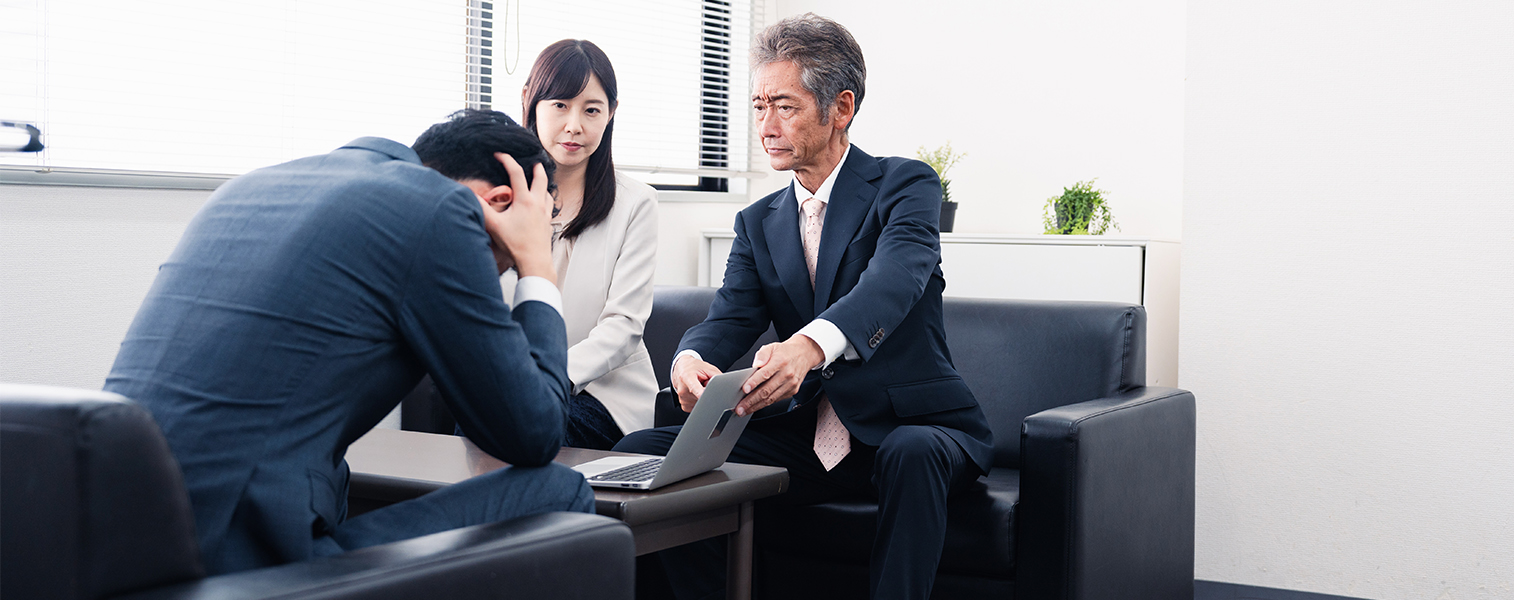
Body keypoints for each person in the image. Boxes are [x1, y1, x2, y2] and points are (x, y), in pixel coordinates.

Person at [104, 109, 593, 576]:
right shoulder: (439, 211)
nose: (496, 275)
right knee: (558, 495)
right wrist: (536, 265)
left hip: (111, 542)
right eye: (501, 263)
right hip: (232, 556)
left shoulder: (254, 186)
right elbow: (533, 433)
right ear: (501, 203)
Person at [613, 14, 994, 600]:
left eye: (784, 106)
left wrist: (807, 348)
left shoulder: (906, 185)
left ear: (840, 107)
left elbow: (894, 281)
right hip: (807, 436)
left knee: (911, 452)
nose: (766, 126)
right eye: (759, 106)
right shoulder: (756, 221)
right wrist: (688, 357)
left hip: (914, 425)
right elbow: (731, 317)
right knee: (639, 454)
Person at [521, 39, 660, 449]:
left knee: (529, 424)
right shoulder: (502, 197)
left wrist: (551, 376)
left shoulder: (636, 203)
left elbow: (624, 325)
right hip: (516, 380)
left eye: (592, 110)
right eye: (560, 105)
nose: (574, 125)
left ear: (611, 113)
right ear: (531, 103)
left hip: (605, 393)